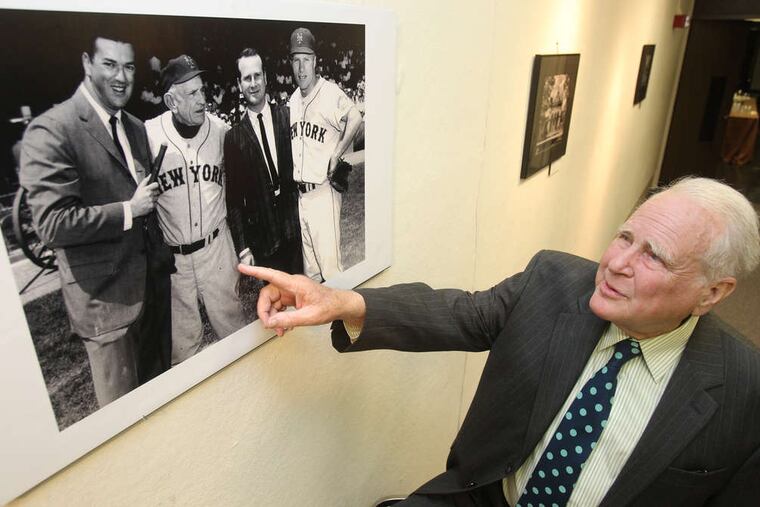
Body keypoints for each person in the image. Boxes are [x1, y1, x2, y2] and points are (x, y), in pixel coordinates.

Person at [240, 177, 760, 505]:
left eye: (654, 256)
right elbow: (463, 314)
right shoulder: (554, 281)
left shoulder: (745, 392)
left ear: (712, 292)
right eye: (624, 236)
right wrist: (340, 300)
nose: (617, 264)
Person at [19, 35, 172, 407]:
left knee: (165, 407)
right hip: (106, 310)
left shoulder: (134, 126)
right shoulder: (52, 129)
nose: (121, 76)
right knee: (124, 428)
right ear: (87, 62)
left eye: (129, 66)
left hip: (152, 294)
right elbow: (52, 224)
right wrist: (127, 210)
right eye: (110, 64)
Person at [145, 55, 247, 365]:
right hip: (174, 261)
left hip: (216, 248)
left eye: (202, 91)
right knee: (183, 352)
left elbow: (238, 189)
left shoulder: (220, 131)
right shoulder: (149, 136)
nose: (202, 100)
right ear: (170, 101)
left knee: (236, 334)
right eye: (192, 94)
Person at [287, 27, 363, 282]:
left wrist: (336, 153)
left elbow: (355, 117)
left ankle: (345, 323)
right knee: (312, 275)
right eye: (296, 60)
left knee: (332, 274)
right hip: (301, 197)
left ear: (315, 61)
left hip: (323, 193)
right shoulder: (293, 100)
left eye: (306, 60)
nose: (301, 68)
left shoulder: (329, 92)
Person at [224, 48, 302, 274]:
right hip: (265, 242)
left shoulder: (287, 117)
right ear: (239, 85)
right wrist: (243, 249)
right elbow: (234, 200)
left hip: (297, 229)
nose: (253, 83)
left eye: (257, 75)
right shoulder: (234, 137)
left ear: (266, 78)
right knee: (278, 305)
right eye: (247, 78)